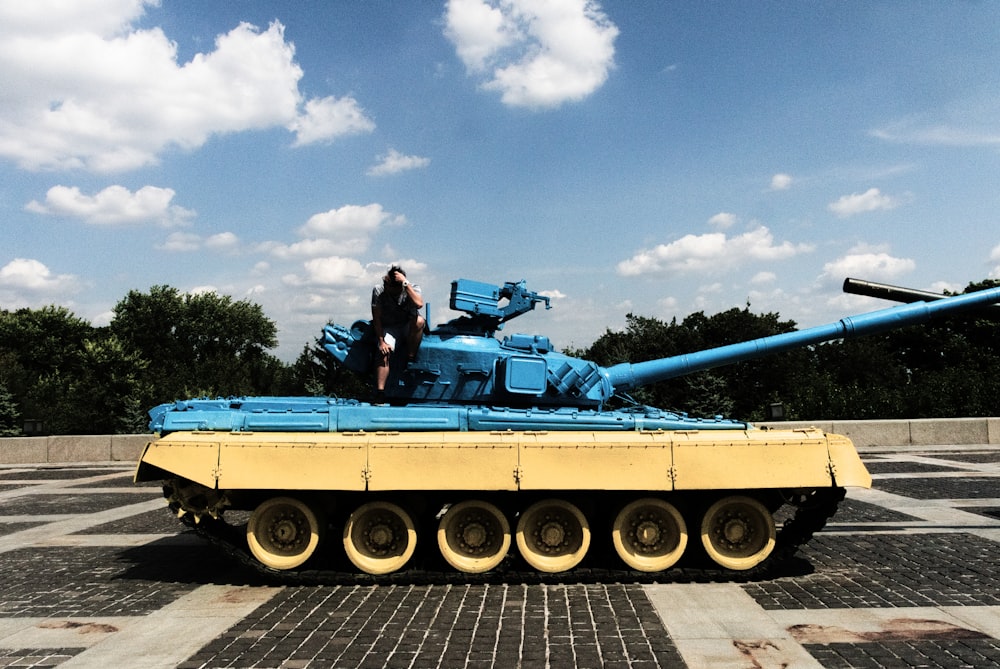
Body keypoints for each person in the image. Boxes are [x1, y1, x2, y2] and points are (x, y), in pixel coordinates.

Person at [371, 265, 425, 397]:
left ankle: (410, 357)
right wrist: (381, 342)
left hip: (408, 326)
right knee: (384, 351)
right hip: (390, 327)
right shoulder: (379, 291)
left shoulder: (412, 288)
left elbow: (419, 304)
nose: (387, 288)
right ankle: (380, 392)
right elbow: (376, 318)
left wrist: (406, 284)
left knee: (419, 321)